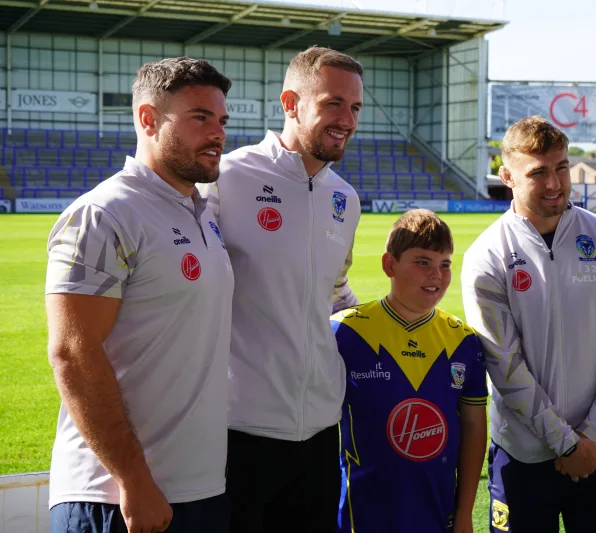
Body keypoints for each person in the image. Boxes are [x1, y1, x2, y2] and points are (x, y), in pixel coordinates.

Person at [45, 57, 234, 533]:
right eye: (199, 117)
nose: (218, 133)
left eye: (222, 120)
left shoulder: (203, 212)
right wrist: (132, 479)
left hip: (201, 488)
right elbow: (71, 351)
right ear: (148, 119)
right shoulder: (104, 214)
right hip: (118, 499)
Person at [200, 46, 362, 532]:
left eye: (355, 107)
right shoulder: (225, 179)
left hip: (319, 430)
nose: (347, 120)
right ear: (290, 103)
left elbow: (334, 293)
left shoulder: (345, 199)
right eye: (333, 103)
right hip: (239, 429)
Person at [461, 116, 596, 533]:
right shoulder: (486, 256)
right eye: (538, 172)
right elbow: (506, 368)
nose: (554, 184)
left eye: (561, 167)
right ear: (506, 176)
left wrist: (590, 438)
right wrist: (566, 442)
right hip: (524, 457)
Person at [331, 209, 488, 533]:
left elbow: (474, 429)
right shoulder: (344, 332)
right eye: (423, 262)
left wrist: (464, 513)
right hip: (360, 512)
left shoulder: (464, 341)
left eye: (444, 264)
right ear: (390, 265)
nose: (436, 275)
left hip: (436, 512)